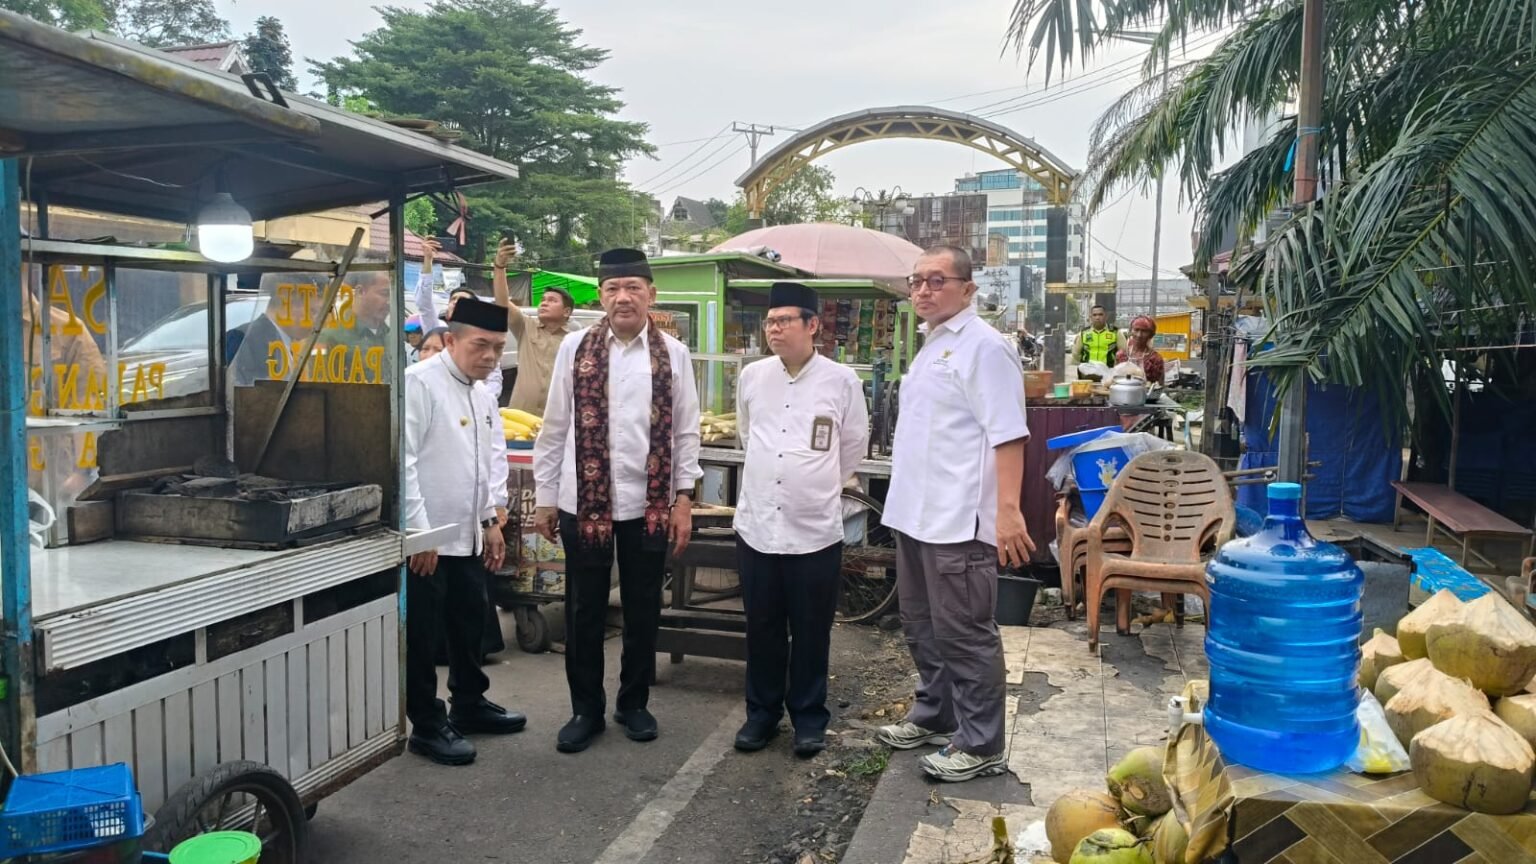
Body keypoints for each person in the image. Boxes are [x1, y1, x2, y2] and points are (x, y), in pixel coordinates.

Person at [533, 247, 702, 754]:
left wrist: (684, 498)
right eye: (613, 289)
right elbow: (556, 425)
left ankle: (633, 702)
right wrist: (545, 497)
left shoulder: (673, 354)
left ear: (651, 294)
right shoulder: (576, 348)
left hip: (648, 506)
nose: (623, 297)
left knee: (643, 606)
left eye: (633, 288)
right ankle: (585, 709)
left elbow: (685, 431)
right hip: (582, 502)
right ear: (601, 296)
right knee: (583, 607)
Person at [876, 245, 1034, 783]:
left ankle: (981, 742)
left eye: (936, 280)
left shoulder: (985, 348)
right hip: (914, 514)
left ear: (968, 289)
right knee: (921, 625)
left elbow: (1009, 433)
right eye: (916, 280)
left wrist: (1008, 511)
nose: (923, 289)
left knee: (966, 632)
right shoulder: (931, 346)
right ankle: (936, 715)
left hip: (958, 519)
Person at [732, 282, 868, 759]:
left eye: (785, 320)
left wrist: (811, 481)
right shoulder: (752, 377)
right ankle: (761, 715)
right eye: (769, 322)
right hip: (758, 528)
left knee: (811, 629)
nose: (774, 329)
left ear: (813, 325)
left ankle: (809, 719)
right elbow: (748, 435)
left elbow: (852, 446)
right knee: (762, 626)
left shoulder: (841, 381)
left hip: (813, 530)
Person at [401, 296, 528, 765]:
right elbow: (405, 460)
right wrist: (421, 532)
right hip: (429, 538)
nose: (491, 356)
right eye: (481, 345)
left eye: (497, 347)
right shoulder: (419, 384)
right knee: (424, 634)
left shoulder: (481, 391)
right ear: (450, 340)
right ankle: (427, 724)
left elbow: (486, 459)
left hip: (470, 531)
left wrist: (490, 521)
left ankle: (470, 703)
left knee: (469, 622)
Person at [491, 238, 577, 415]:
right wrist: (499, 267)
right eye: (543, 300)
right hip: (520, 416)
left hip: (557, 419)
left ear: (566, 312)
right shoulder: (525, 326)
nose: (544, 304)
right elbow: (502, 302)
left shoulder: (575, 340)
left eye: (552, 301)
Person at [416, 239, 504, 400]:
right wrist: (428, 260)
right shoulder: (437, 329)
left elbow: (494, 381)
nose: (456, 303)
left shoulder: (485, 338)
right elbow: (423, 303)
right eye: (453, 299)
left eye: (463, 302)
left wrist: (476, 401)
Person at [1117, 315, 1165, 385]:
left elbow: (1159, 385)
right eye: (1136, 330)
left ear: (1151, 334)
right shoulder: (1121, 355)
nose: (1139, 335)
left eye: (1144, 331)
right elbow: (1114, 379)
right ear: (1130, 331)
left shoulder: (1155, 359)